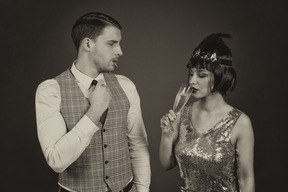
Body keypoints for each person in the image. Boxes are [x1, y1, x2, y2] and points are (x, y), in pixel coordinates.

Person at [35, 12, 150, 192]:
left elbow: (138, 145)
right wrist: (94, 112)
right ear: (88, 44)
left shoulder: (125, 85)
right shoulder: (50, 90)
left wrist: (142, 190)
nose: (120, 51)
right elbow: (56, 160)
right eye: (112, 43)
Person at [159, 33, 255, 192]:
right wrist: (166, 136)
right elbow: (166, 164)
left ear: (220, 75)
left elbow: (246, 178)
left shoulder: (240, 122)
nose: (192, 81)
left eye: (201, 75)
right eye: (191, 73)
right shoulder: (182, 114)